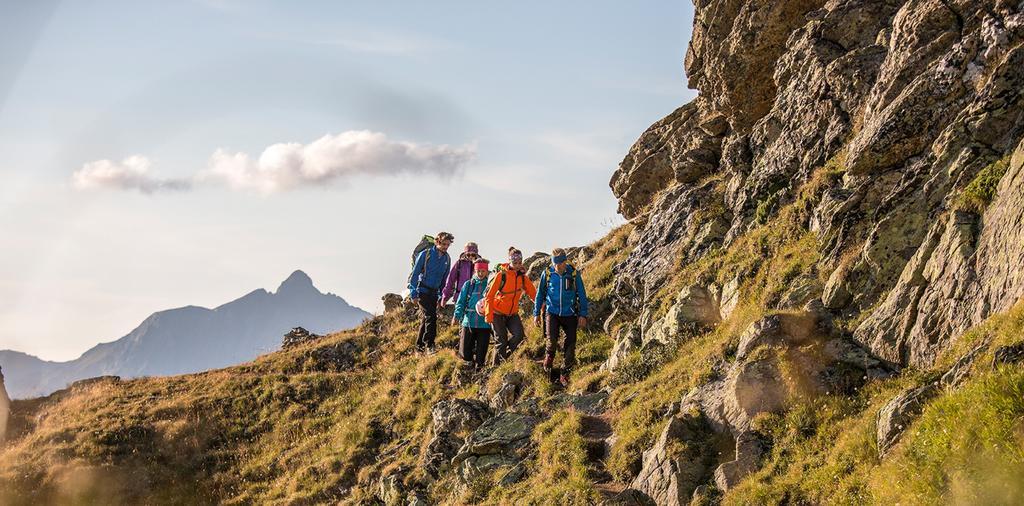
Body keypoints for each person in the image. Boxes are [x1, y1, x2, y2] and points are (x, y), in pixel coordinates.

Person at [534, 248, 589, 387]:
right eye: (555, 265)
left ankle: (565, 372)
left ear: (565, 261)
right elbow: (540, 294)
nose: (558, 267)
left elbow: (582, 294)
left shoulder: (573, 274)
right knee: (551, 340)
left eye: (561, 264)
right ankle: (549, 357)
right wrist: (536, 314)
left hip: (569, 312)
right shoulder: (547, 273)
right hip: (551, 312)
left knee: (570, 343)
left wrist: (583, 314)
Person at [483, 247, 536, 365]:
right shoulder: (501, 276)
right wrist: (488, 315)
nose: (517, 265)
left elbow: (533, 293)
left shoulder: (523, 277)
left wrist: (541, 306)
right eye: (515, 262)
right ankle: (496, 368)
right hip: (497, 313)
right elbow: (489, 296)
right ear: (510, 261)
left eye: (519, 262)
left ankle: (504, 356)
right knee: (501, 340)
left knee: (519, 336)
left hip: (512, 314)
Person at [409, 231, 454, 354]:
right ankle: (430, 345)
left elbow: (445, 279)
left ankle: (419, 348)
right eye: (443, 244)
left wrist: (442, 297)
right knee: (431, 316)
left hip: (434, 293)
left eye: (448, 245)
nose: (445, 247)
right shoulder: (425, 254)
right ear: (437, 242)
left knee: (426, 319)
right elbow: (414, 274)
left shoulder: (447, 258)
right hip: (422, 290)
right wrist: (413, 293)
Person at [452, 258, 492, 370]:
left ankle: (479, 374)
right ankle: (466, 375)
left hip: (485, 324)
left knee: (481, 354)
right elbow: (461, 302)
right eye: (478, 271)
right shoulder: (468, 285)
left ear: (487, 271)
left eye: (483, 271)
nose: (480, 273)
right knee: (465, 352)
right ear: (475, 271)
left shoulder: (490, 285)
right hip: (468, 323)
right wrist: (457, 315)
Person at [442, 242, 480, 306]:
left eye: (473, 255)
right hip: (459, 297)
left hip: (475, 297)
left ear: (476, 254)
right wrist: (445, 297)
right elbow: (450, 280)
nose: (470, 257)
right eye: (468, 255)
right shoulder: (459, 263)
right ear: (465, 254)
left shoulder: (480, 264)